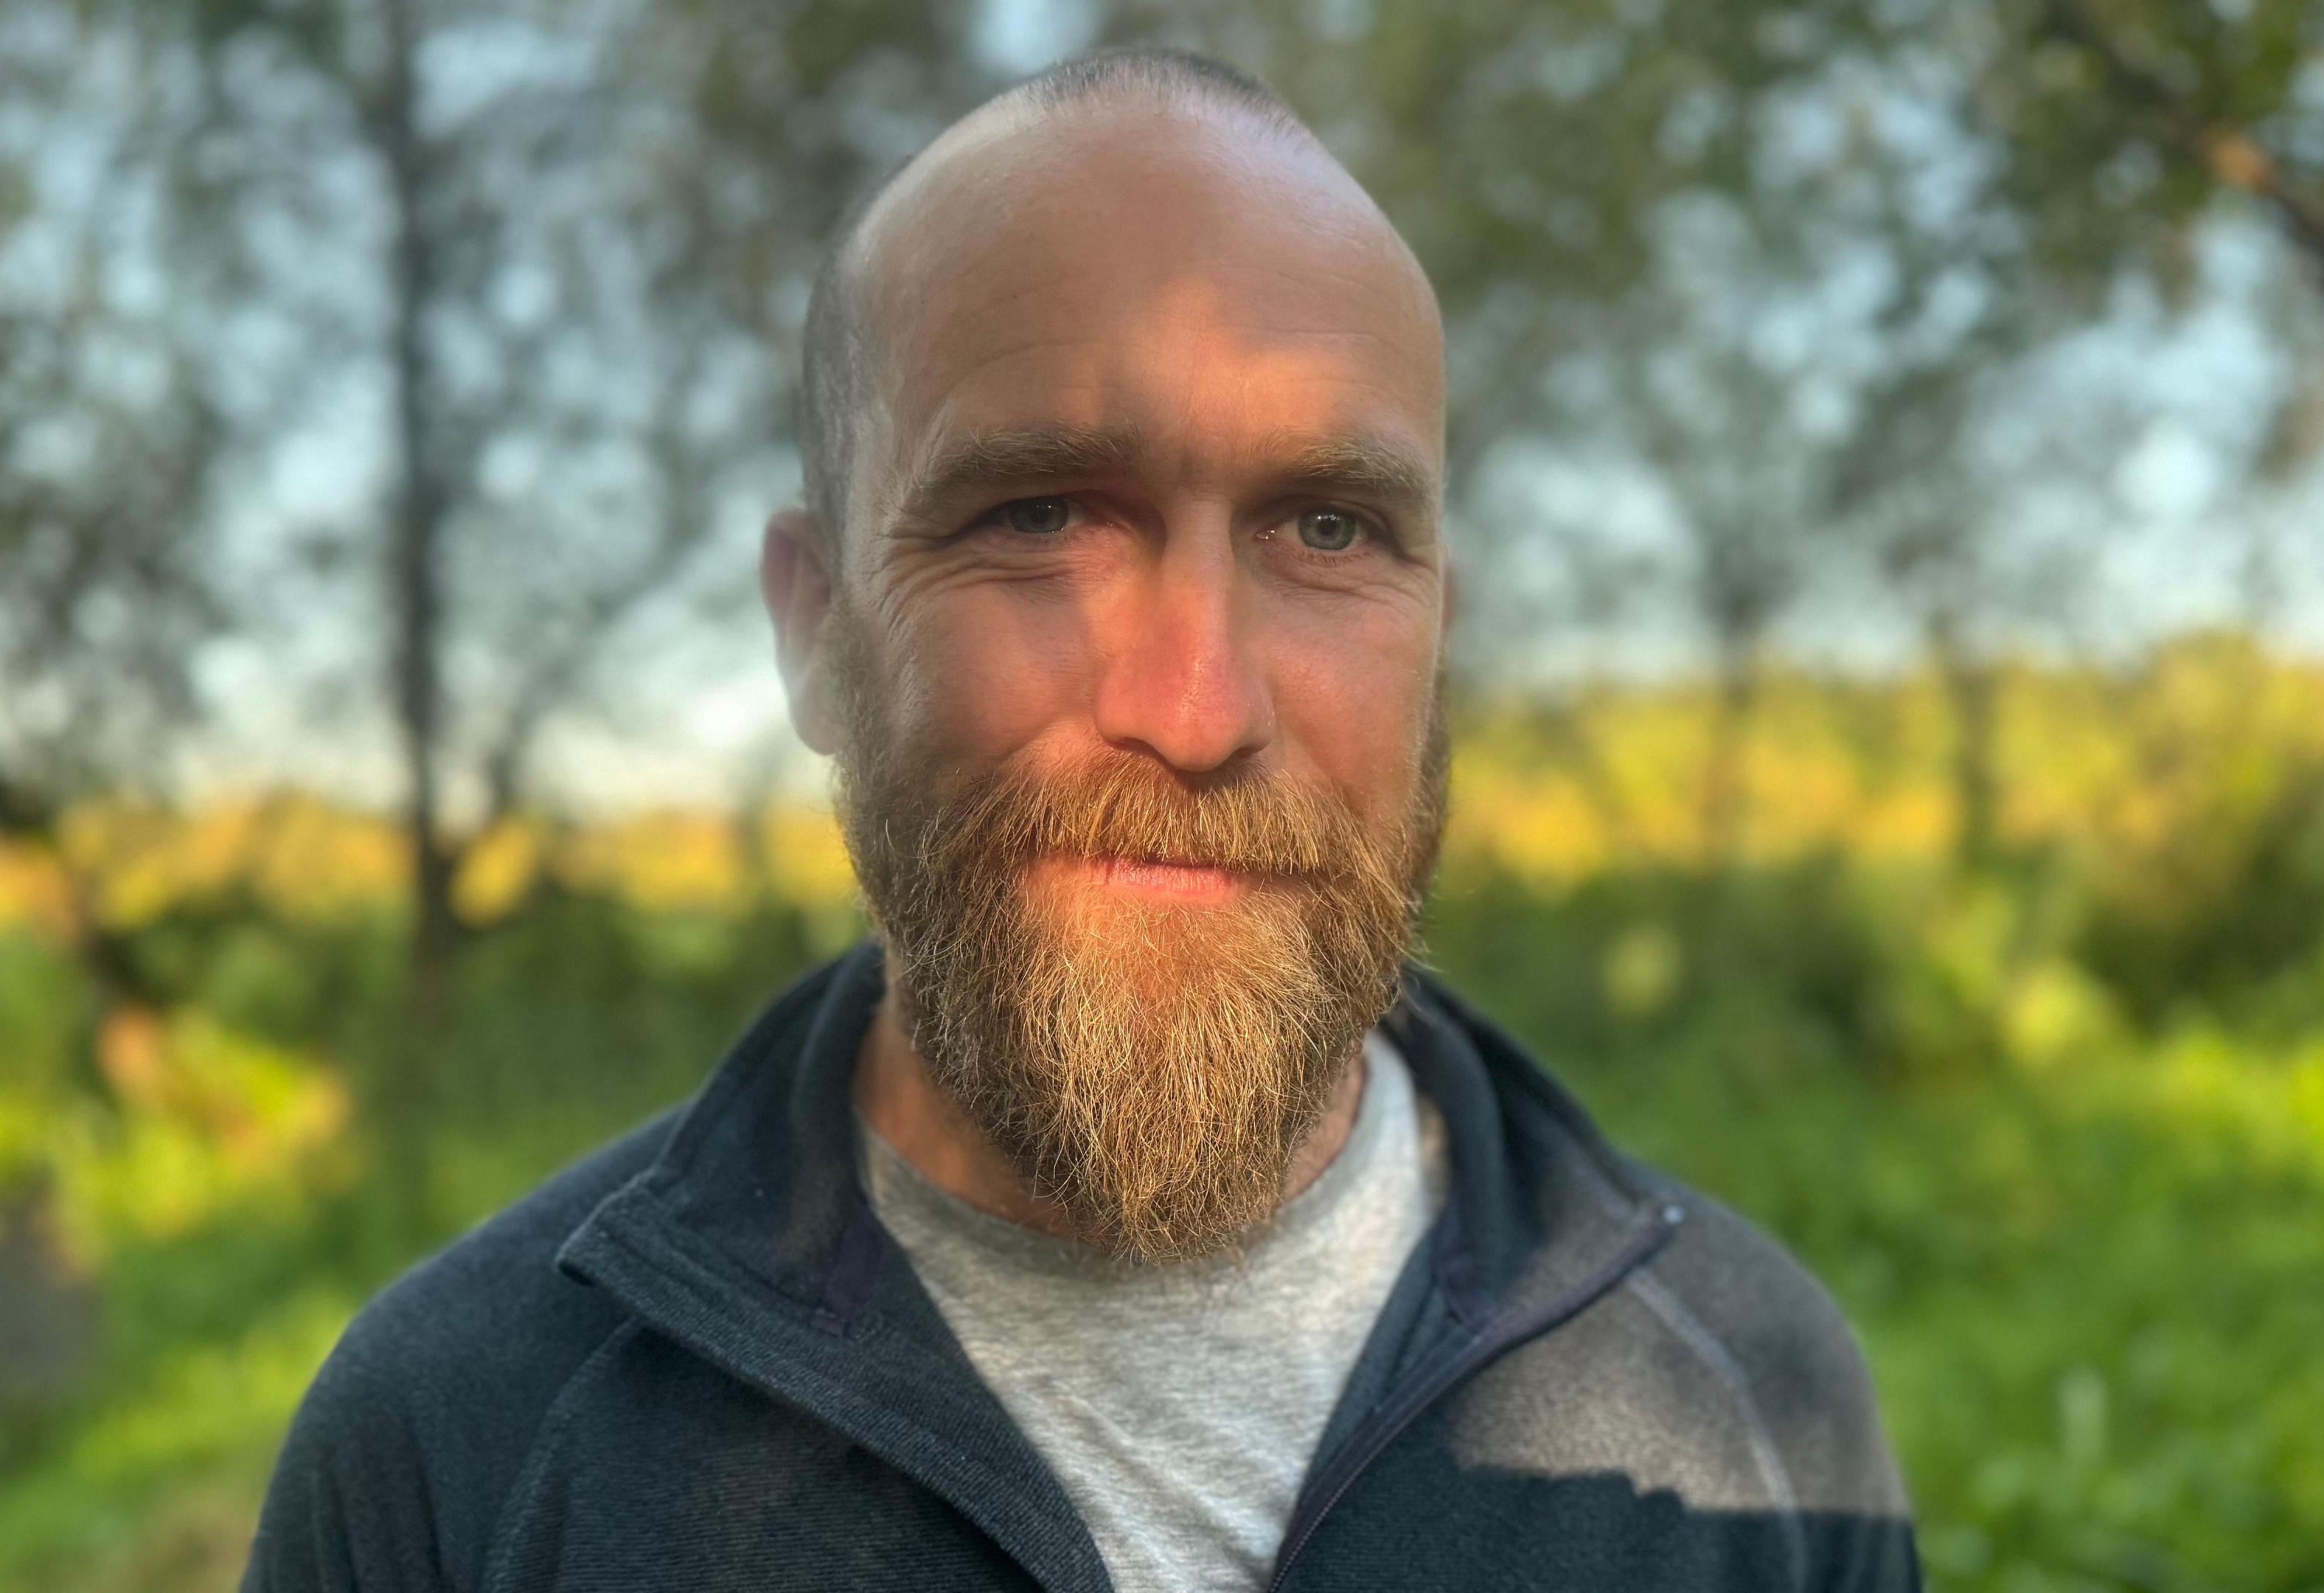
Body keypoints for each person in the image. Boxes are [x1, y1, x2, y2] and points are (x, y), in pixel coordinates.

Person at [242, 45, 1919, 1593]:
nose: (1195, 712)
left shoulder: (1753, 1417)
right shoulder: (449, 1456)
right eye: (1039, 516)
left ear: (1439, 639)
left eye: (1330, 532)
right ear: (819, 631)